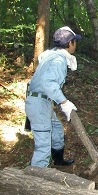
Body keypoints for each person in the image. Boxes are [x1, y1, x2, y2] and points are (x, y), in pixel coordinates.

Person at [25, 26, 81, 167]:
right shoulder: (59, 60)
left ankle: (58, 161)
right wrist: (64, 102)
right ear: (70, 43)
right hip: (39, 104)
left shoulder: (52, 55)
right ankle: (36, 181)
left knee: (56, 130)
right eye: (74, 41)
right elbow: (48, 83)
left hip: (43, 102)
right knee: (43, 146)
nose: (75, 44)